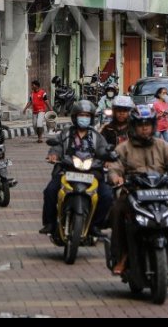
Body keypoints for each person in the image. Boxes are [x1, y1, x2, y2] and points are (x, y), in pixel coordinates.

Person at [109, 104, 168, 276]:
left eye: (148, 125)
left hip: (162, 192)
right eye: (141, 125)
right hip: (133, 193)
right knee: (117, 212)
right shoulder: (124, 147)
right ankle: (123, 256)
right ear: (134, 127)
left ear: (153, 126)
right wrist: (116, 177)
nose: (144, 129)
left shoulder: (163, 146)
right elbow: (115, 166)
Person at [40, 100, 113, 236]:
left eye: (87, 115)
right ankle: (49, 223)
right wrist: (53, 155)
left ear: (91, 118)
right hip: (67, 170)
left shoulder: (97, 136)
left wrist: (107, 159)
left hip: (92, 172)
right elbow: (57, 146)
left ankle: (95, 225)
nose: (83, 118)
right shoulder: (66, 133)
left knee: (107, 195)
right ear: (74, 117)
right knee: (50, 191)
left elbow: (103, 150)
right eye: (81, 115)